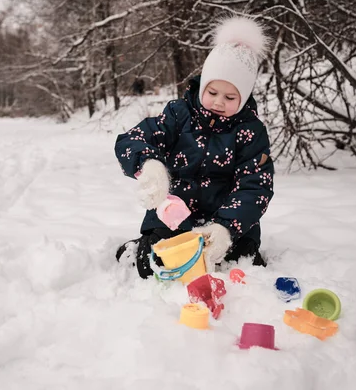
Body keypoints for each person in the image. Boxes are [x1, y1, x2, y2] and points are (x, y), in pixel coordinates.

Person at [114, 16, 275, 279]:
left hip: (225, 224)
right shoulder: (179, 115)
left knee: (242, 264)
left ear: (244, 97)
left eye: (230, 97)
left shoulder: (251, 131)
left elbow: (255, 186)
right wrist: (149, 164)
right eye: (212, 92)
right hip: (174, 216)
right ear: (203, 85)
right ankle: (138, 250)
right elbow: (132, 139)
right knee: (152, 263)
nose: (219, 102)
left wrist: (225, 228)